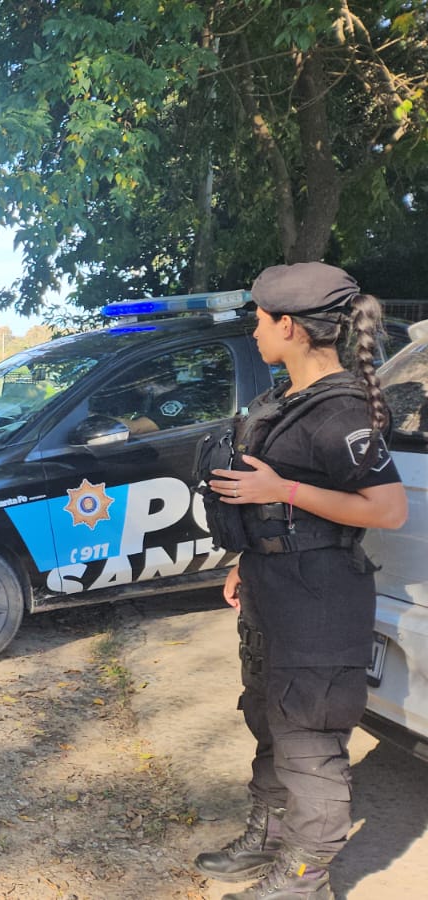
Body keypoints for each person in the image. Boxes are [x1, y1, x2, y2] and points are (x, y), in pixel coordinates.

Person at [196, 262, 408, 899]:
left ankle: (302, 880)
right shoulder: (285, 400)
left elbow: (388, 509)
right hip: (273, 585)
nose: (255, 331)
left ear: (288, 326)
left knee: (309, 739)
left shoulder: (341, 410)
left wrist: (281, 488)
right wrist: (247, 558)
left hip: (320, 597)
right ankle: (269, 836)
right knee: (271, 717)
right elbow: (270, 507)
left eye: (260, 320)